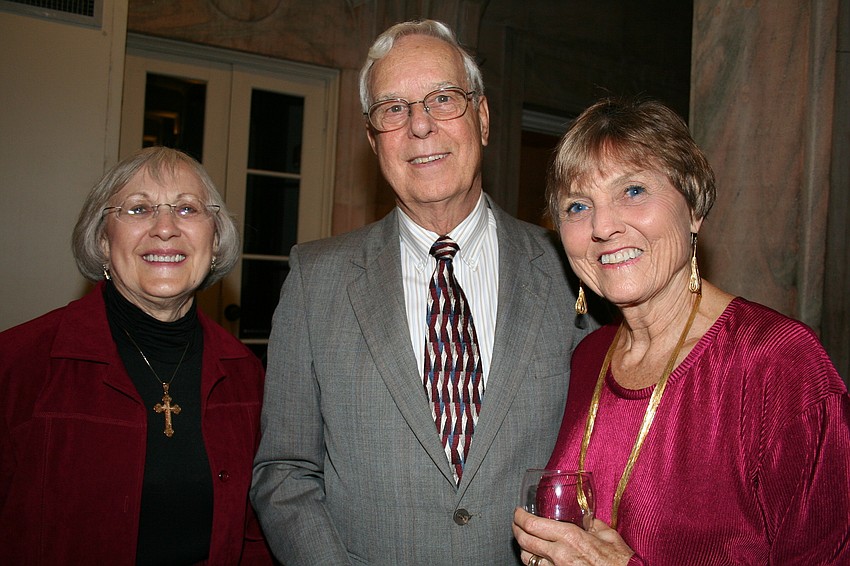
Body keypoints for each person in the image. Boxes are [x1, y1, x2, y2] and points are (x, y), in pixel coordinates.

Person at [250, 19, 592, 565]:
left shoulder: (571, 270)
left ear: (481, 118)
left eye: (443, 99)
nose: (421, 126)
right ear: (373, 140)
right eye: (393, 109)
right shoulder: (317, 280)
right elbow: (285, 471)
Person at [512, 97, 850, 565]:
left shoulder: (778, 363)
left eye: (633, 191)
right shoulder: (588, 356)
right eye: (577, 205)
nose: (604, 226)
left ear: (693, 209)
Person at [0, 147, 273, 565]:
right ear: (103, 240)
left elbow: (255, 534)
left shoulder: (248, 378)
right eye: (139, 208)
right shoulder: (18, 364)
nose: (165, 229)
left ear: (215, 241)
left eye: (187, 209)